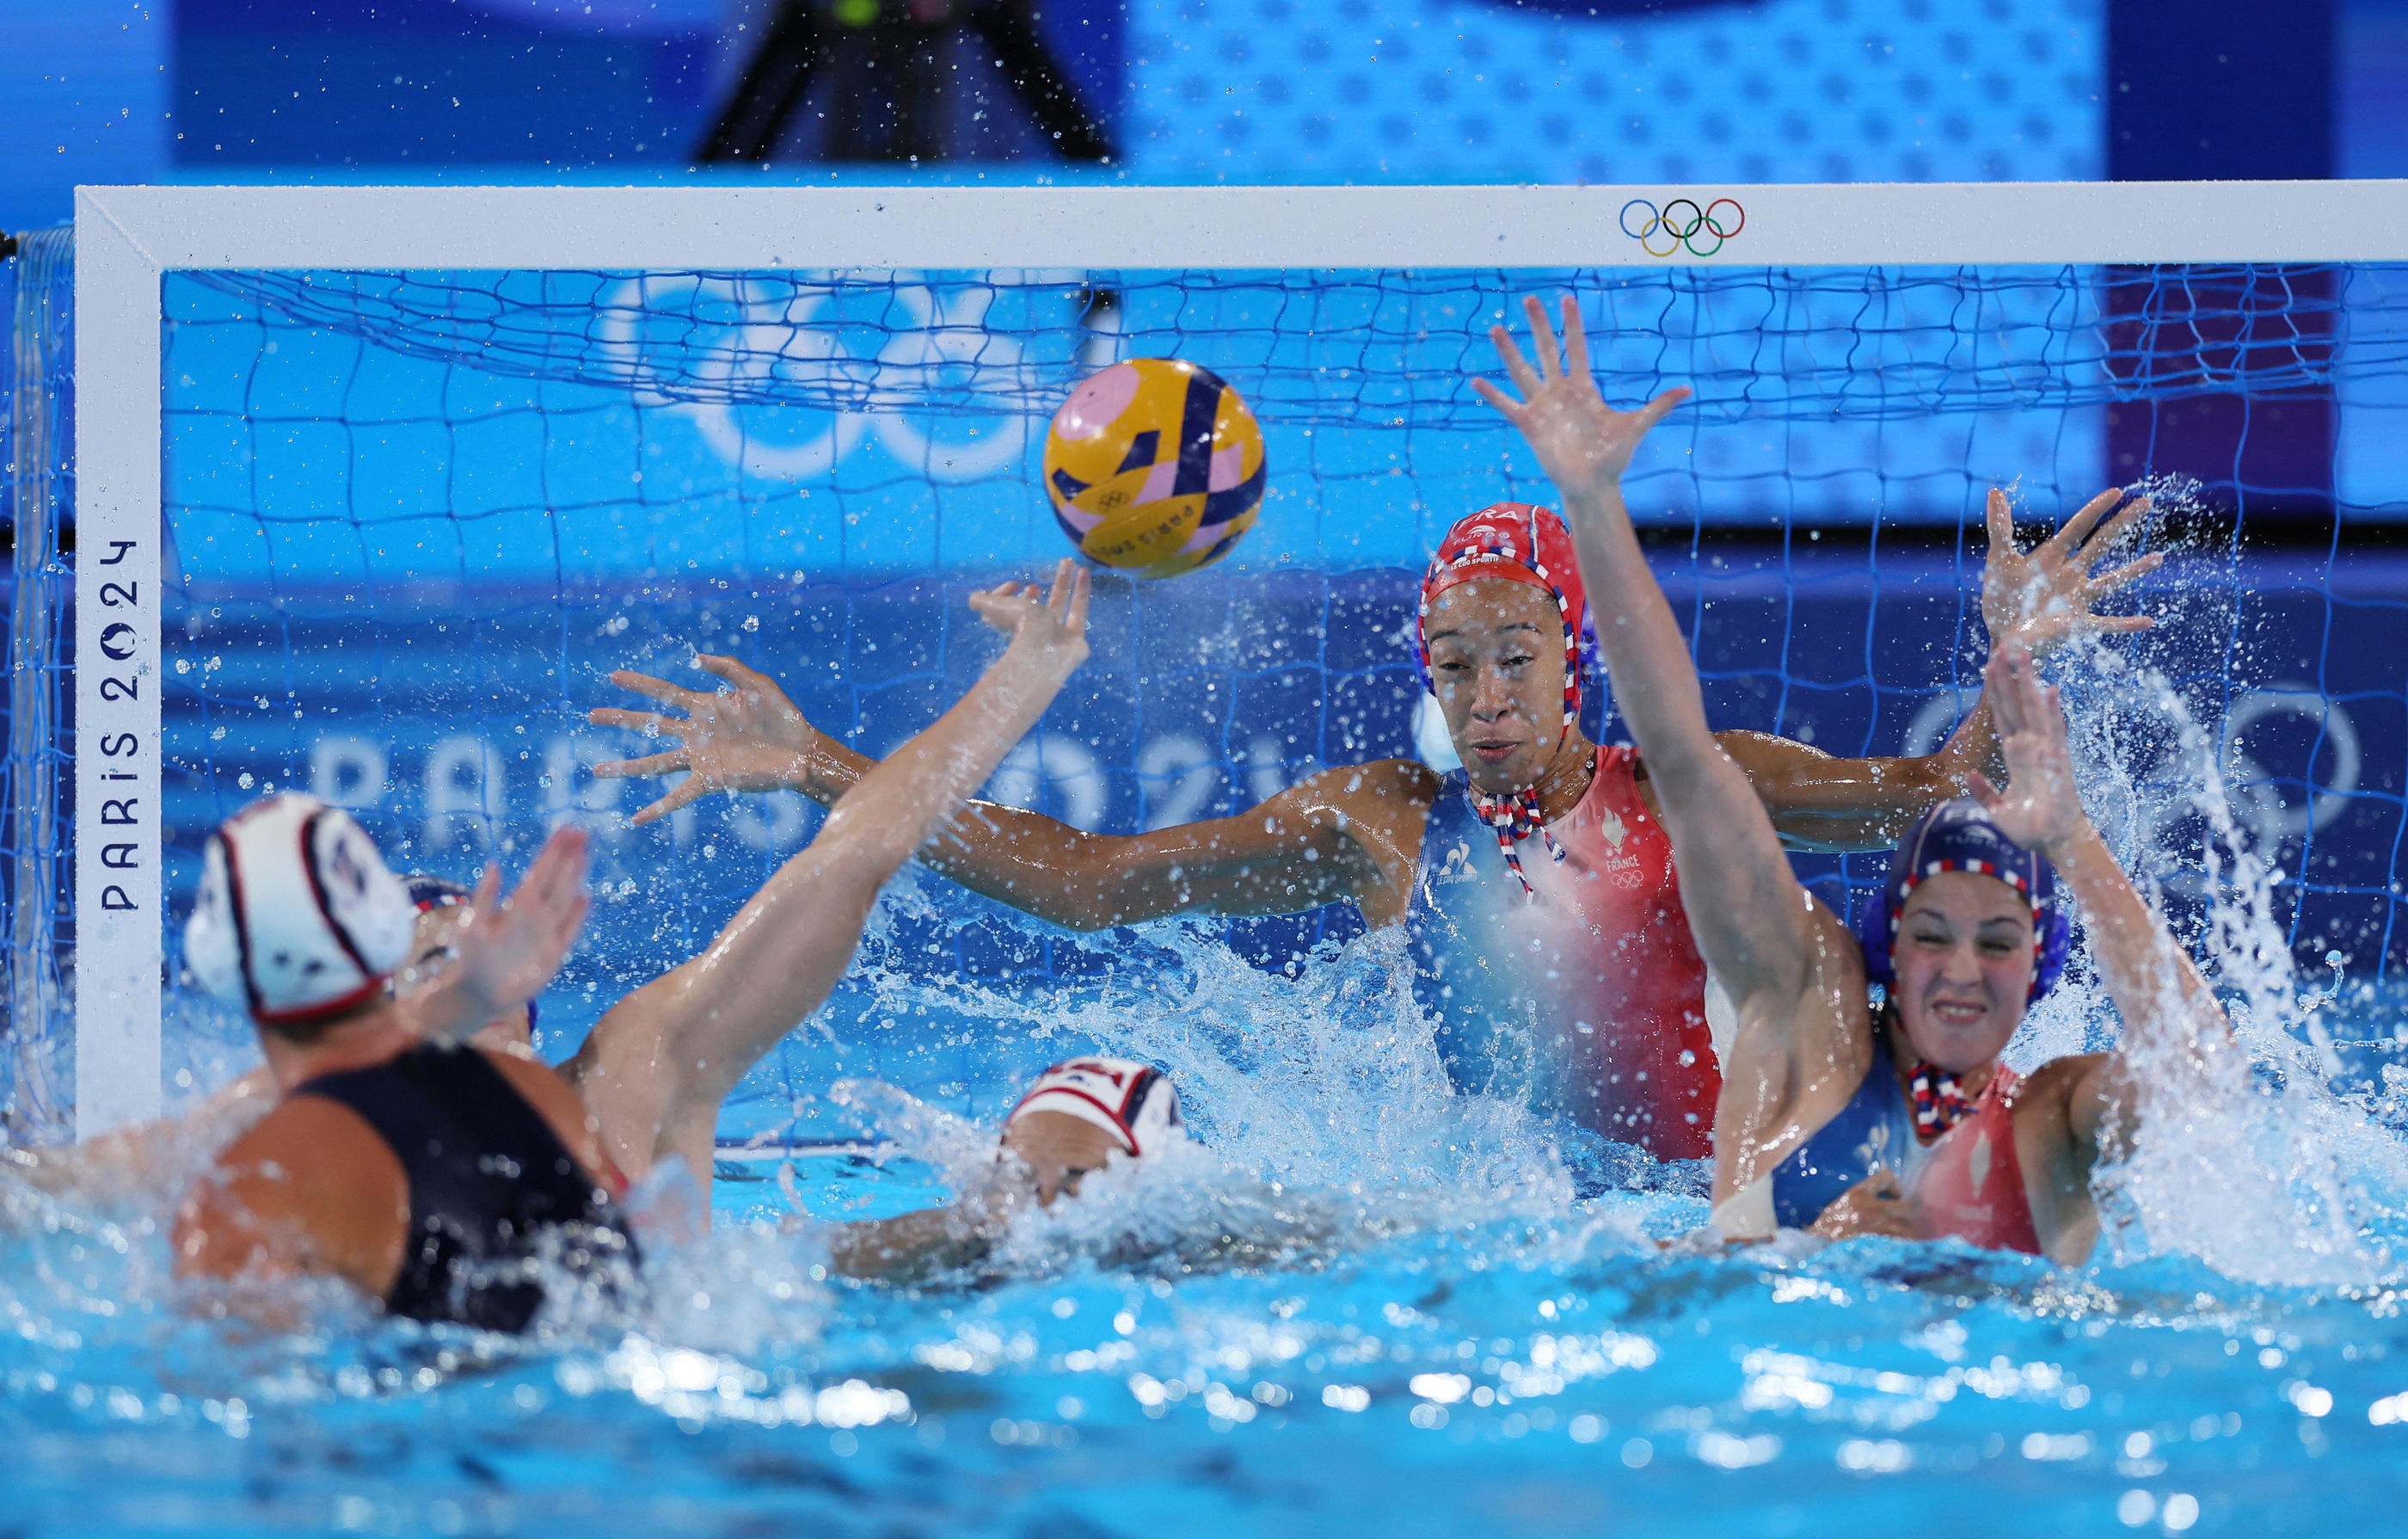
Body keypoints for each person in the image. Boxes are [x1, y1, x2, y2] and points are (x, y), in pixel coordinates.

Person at [587, 485, 2160, 1166]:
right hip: (1528, 1214)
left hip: (1748, 1203)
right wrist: (819, 765)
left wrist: (2011, 649)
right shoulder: (1379, 828)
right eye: (1455, 666)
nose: (1484, 698)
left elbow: (1934, 792)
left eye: (1517, 660)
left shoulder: (1692, 784)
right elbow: (1083, 885)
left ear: (1576, 660)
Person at [1476, 292, 2230, 1262]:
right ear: (1888, 944)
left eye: (1996, 943)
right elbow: (1680, 753)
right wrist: (1592, 504)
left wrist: (2072, 841)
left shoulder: (2056, 1120)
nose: (1959, 972)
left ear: (2039, 965)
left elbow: (2206, 1081)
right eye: (1932, 937)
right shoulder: (1813, 1021)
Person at [167, 563, 1099, 1327]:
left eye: (472, 948)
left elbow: (853, 853)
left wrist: (1023, 677)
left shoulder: (633, 1071)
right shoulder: (309, 1148)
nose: (468, 971)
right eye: (429, 961)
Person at [820, 1055, 1188, 1282]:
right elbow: (806, 1261)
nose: (1043, 1206)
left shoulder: (1201, 1246)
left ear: (1144, 1175)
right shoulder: (966, 1240)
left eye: (1075, 1180)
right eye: (1023, 1176)